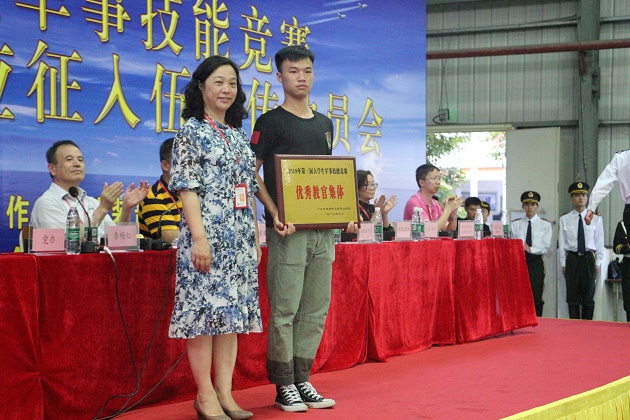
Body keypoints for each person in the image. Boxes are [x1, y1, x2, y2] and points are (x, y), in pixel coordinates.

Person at [250, 45, 356, 413]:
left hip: (323, 231)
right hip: (287, 230)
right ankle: (283, 385)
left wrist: (345, 212)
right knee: (285, 309)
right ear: (279, 77)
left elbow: (328, 176)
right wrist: (274, 211)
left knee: (315, 308)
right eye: (293, 71)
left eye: (307, 71)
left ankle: (302, 378)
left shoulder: (325, 124)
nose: (301, 77)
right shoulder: (269, 122)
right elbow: (251, 173)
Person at [167, 56, 261, 420]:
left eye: (232, 83)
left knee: (230, 317)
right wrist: (199, 238)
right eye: (219, 82)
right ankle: (204, 395)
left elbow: (246, 190)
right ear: (201, 87)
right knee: (203, 317)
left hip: (238, 240)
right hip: (206, 238)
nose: (226, 89)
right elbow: (187, 189)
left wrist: (254, 234)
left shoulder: (237, 135)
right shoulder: (191, 132)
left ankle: (225, 393)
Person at [31, 140, 149, 239]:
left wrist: (126, 209)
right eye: (69, 159)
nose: (77, 164)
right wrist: (102, 208)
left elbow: (118, 239)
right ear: (52, 169)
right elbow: (67, 241)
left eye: (80, 159)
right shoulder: (46, 203)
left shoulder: (91, 202)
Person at [558, 182, 605, 320]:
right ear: (572, 198)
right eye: (577, 195)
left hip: (588, 258)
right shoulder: (564, 219)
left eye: (584, 195)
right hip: (572, 259)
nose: (581, 198)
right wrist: (563, 264)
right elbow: (562, 243)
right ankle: (573, 327)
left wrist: (598, 262)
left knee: (588, 297)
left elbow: (599, 242)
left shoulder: (595, 219)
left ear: (587, 197)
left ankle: (587, 328)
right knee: (572, 297)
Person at [510, 191, 552, 317]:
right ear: (523, 207)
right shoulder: (515, 224)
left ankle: (537, 321)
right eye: (527, 204)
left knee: (536, 294)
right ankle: (521, 320)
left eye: (533, 204)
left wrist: (530, 249)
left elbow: (546, 246)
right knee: (519, 293)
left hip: (536, 261)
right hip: (519, 261)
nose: (529, 207)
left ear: (537, 206)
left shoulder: (545, 225)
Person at [138, 137, 181, 244]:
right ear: (165, 165)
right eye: (184, 162)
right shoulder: (153, 197)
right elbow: (174, 240)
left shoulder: (196, 193)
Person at [342, 169, 397, 242]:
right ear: (357, 187)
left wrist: (384, 213)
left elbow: (388, 236)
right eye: (368, 185)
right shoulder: (351, 209)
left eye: (373, 184)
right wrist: (377, 212)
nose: (372, 188)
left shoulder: (372, 208)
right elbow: (364, 236)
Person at [403, 164, 462, 231]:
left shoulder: (435, 203)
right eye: (434, 178)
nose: (438, 182)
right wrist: (447, 210)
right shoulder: (414, 202)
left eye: (439, 178)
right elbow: (429, 230)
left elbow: (448, 230)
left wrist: (453, 215)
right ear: (422, 182)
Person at [585, 150, 630, 232]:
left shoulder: (621, 157)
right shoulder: (620, 158)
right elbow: (603, 183)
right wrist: (591, 207)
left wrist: (591, 207)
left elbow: (603, 183)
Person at [612, 220, 630, 322]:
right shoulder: (623, 225)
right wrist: (627, 247)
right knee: (628, 299)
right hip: (628, 264)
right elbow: (616, 247)